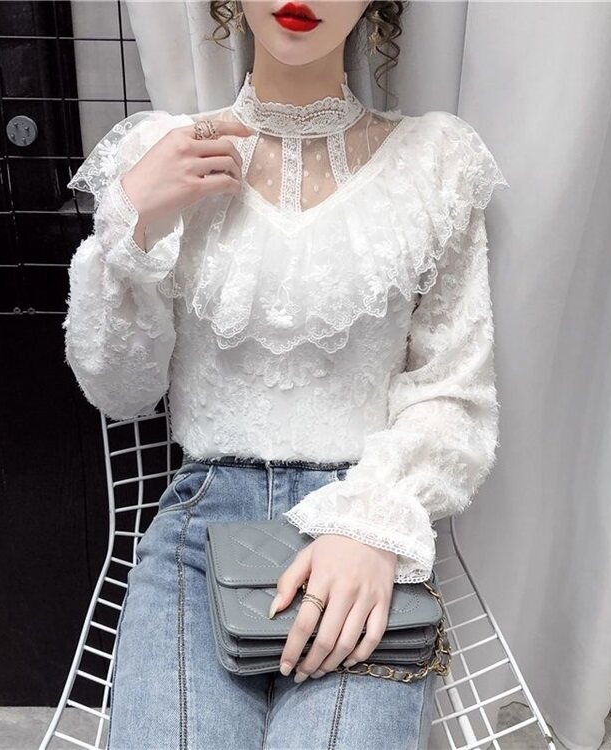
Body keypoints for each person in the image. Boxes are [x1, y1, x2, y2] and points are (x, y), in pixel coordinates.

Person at [62, 1, 510, 747]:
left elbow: (452, 392)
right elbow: (121, 391)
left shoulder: (436, 162)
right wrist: (130, 223)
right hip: (200, 529)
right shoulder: (158, 152)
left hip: (362, 519)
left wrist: (370, 525)